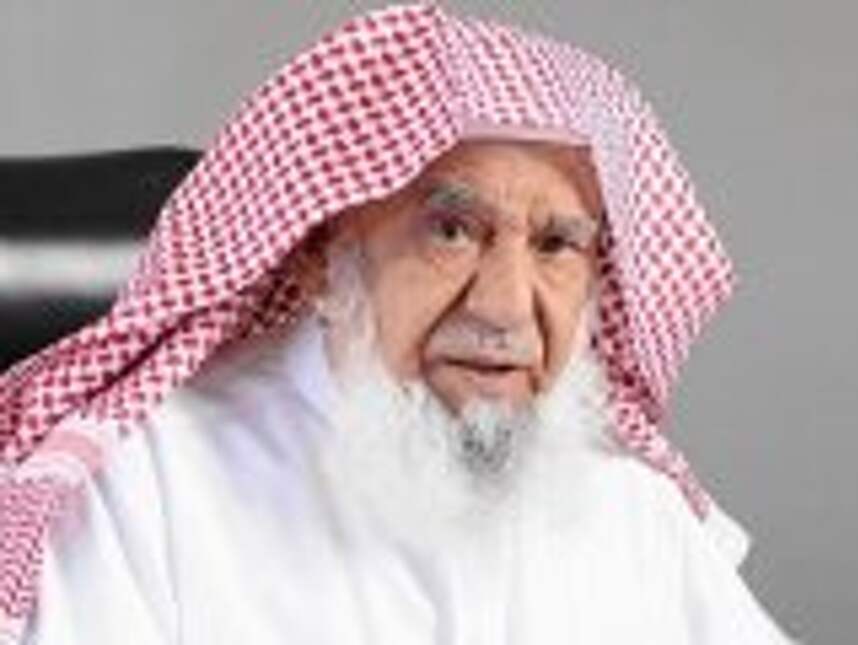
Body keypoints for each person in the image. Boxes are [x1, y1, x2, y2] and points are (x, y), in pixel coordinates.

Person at [1, 3, 796, 643]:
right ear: (321, 257)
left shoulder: (628, 506)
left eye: (556, 245)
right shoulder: (148, 486)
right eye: (451, 231)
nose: (505, 306)